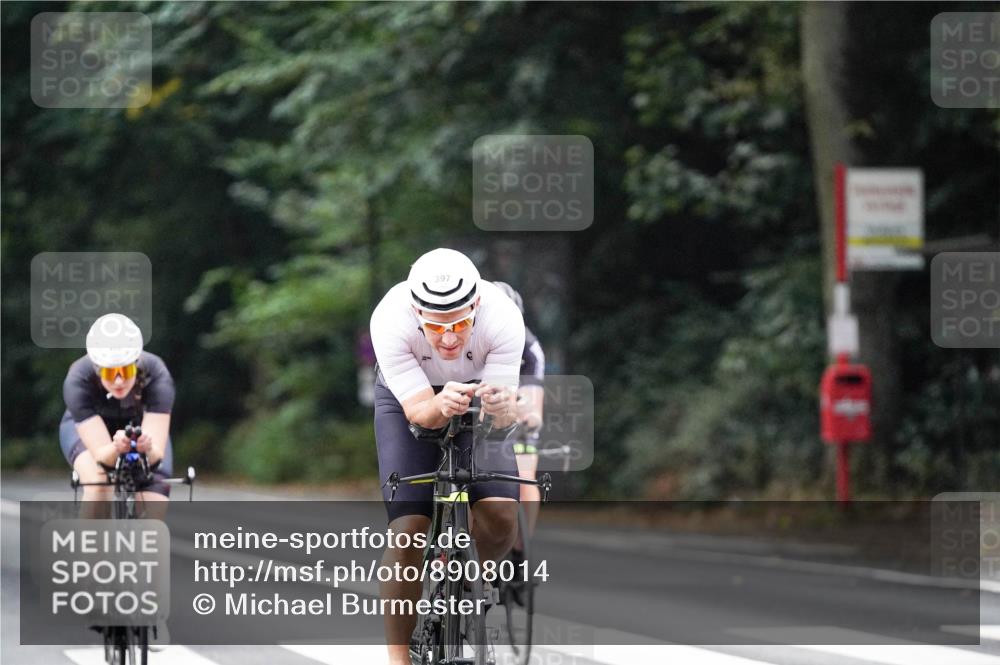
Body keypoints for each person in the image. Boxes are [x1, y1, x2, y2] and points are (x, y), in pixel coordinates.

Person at [370, 248, 524, 665]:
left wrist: (502, 407)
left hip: (476, 394)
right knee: (407, 531)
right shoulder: (389, 318)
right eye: (436, 327)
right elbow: (420, 413)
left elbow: (503, 416)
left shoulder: (503, 317)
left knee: (502, 513)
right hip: (410, 398)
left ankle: (471, 577)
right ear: (416, 312)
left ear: (477, 305)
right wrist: (439, 406)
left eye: (459, 323)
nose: (450, 338)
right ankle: (399, 659)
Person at [61, 313, 175, 514]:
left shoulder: (156, 373)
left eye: (126, 370)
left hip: (141, 426)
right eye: (110, 373)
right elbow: (103, 458)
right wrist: (115, 449)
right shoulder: (78, 379)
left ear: (137, 363)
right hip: (91, 430)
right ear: (97, 369)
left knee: (153, 506)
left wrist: (146, 448)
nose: (119, 381)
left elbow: (156, 457)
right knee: (98, 486)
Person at [492, 281, 545, 561]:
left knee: (525, 480)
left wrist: (529, 415)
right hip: (482, 419)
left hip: (517, 416)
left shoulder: (529, 346)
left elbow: (532, 402)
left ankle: (521, 551)